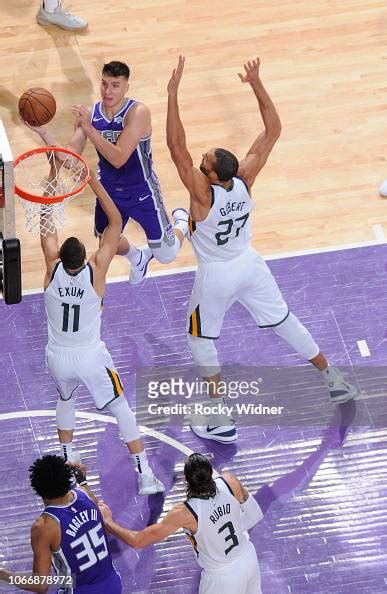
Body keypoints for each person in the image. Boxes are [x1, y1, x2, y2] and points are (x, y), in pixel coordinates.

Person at [166, 56, 358, 444]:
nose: (201, 159)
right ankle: (333, 378)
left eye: (205, 162)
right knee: (285, 320)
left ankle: (219, 418)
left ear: (213, 176)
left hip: (217, 273)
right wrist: (256, 83)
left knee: (200, 341)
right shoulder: (245, 179)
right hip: (250, 264)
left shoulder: (203, 195)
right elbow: (274, 128)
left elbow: (175, 146)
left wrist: (172, 94)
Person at [41, 169, 164, 495]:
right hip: (89, 356)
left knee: (66, 397)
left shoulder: (51, 269)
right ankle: (145, 474)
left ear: (60, 259)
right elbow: (113, 222)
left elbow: (46, 224)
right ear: (84, 259)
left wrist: (53, 174)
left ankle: (70, 458)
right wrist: (93, 181)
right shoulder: (96, 269)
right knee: (120, 405)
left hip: (57, 356)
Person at [28, 60, 189, 285]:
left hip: (141, 190)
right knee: (107, 243)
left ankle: (183, 223)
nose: (108, 91)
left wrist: (89, 129)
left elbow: (119, 158)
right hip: (109, 193)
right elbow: (69, 159)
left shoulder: (138, 112)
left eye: (115, 85)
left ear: (126, 87)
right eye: (104, 84)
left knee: (166, 254)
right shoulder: (91, 114)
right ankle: (138, 257)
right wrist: (44, 134)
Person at [99, 453, 263, 594]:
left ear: (186, 479)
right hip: (248, 557)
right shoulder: (230, 481)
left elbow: (138, 540)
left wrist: (108, 523)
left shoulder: (185, 513)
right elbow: (254, 515)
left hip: (222, 578)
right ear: (210, 473)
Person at [0, 455, 121, 593]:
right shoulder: (85, 493)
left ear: (36, 488)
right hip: (112, 584)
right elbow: (107, 529)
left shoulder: (44, 526)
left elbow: (40, 585)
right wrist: (82, 480)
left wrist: (3, 574)